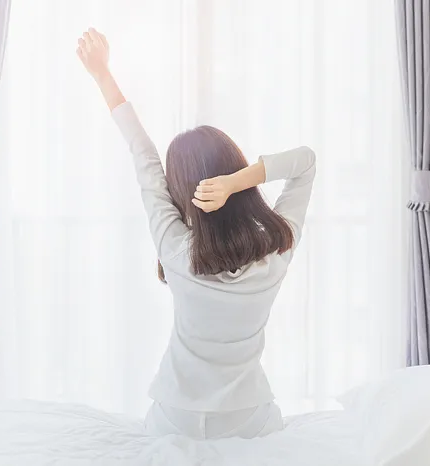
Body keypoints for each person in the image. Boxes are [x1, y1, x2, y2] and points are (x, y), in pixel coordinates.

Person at [76, 28, 316, 440]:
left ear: (178, 190)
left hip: (176, 418)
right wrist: (234, 183)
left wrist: (102, 74)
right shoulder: (276, 251)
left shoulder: (174, 247)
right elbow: (305, 162)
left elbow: (142, 153)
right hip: (249, 419)